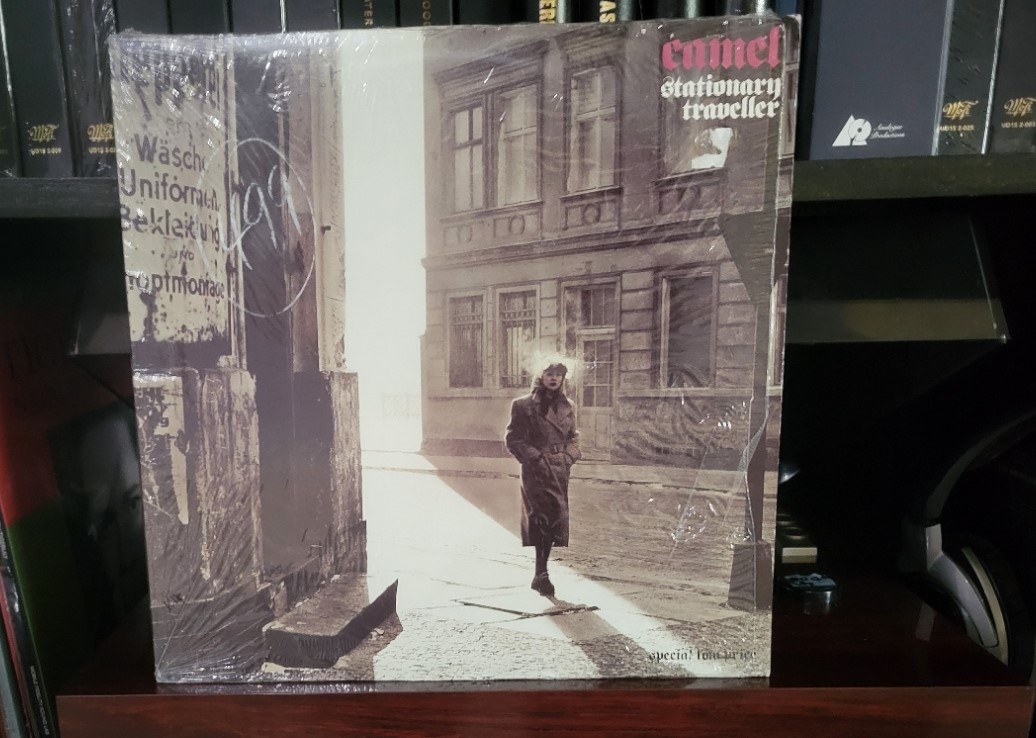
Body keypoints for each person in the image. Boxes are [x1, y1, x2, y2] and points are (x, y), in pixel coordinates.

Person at [505, 361, 581, 596]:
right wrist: (536, 458)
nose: (554, 378)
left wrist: (569, 456)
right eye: (549, 373)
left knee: (556, 519)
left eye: (559, 374)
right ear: (540, 376)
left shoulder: (569, 406)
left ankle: (540, 573)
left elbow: (574, 437)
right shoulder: (523, 405)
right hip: (536, 471)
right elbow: (513, 438)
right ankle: (541, 573)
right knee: (541, 519)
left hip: (559, 470)